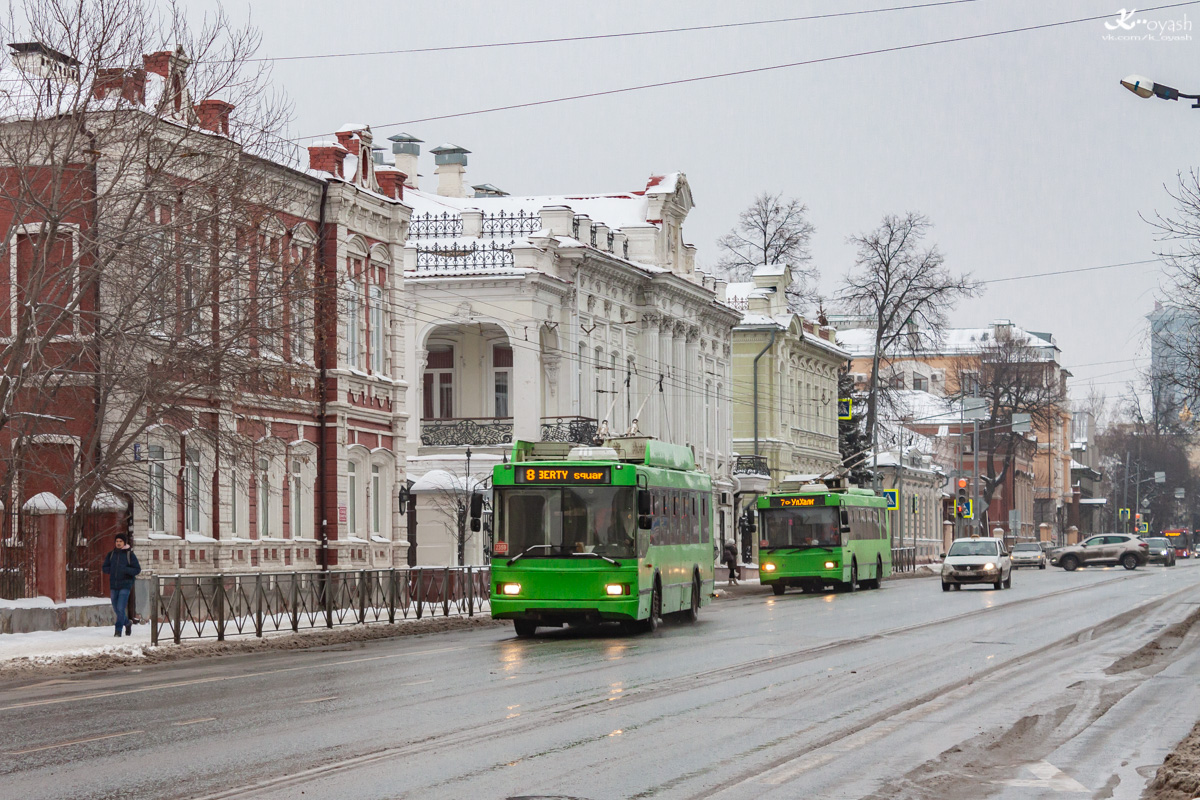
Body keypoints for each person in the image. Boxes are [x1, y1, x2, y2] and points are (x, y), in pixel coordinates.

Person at [102, 533, 141, 637]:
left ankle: (118, 630)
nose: (118, 543)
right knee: (116, 609)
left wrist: (125, 570)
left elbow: (137, 569)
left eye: (120, 541)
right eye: (117, 541)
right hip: (114, 585)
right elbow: (104, 567)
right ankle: (127, 623)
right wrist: (111, 570)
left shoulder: (130, 555)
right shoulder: (111, 554)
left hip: (125, 585)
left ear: (124, 542)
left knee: (120, 608)